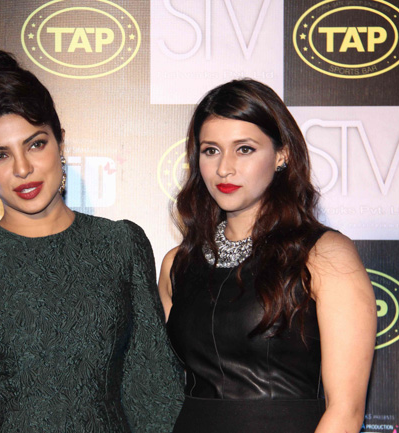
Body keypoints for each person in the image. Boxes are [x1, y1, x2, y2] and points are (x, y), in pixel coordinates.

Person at [0, 49, 182, 432]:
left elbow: (153, 391)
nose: (23, 168)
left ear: (60, 141)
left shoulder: (120, 245)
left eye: (35, 144)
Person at [158, 79, 376, 433]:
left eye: (244, 149)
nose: (224, 168)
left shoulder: (324, 254)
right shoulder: (178, 264)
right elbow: (162, 387)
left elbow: (346, 411)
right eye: (211, 150)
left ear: (281, 155)